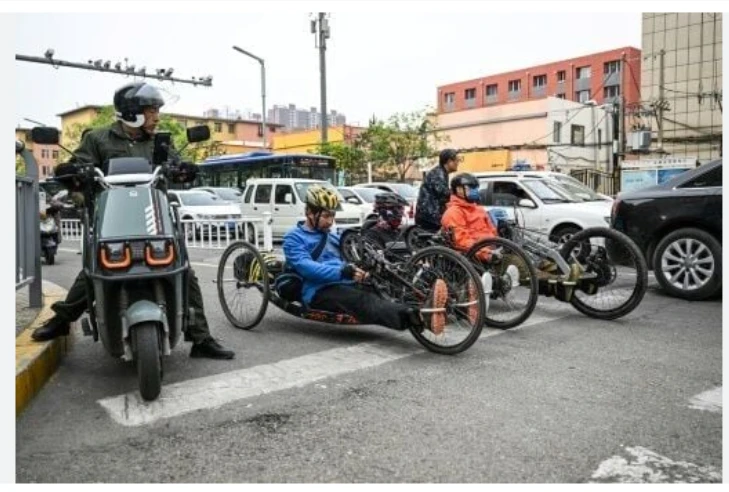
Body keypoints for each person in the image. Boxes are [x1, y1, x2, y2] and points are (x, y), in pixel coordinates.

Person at [32, 82, 234, 360]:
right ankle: (62, 320)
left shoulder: (159, 142)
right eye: (152, 111)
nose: (157, 117)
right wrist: (71, 171)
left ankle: (201, 338)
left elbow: (175, 168)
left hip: (154, 217)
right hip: (113, 218)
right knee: (94, 269)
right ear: (133, 112)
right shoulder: (99, 139)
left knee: (183, 269)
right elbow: (77, 165)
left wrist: (185, 169)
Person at [282, 185, 450, 335]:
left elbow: (350, 254)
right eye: (326, 216)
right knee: (365, 302)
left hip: (345, 280)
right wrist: (343, 271)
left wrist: (362, 265)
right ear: (309, 212)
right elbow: (307, 268)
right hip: (318, 289)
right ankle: (418, 317)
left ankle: (442, 307)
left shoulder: (332, 236)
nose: (330, 221)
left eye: (332, 216)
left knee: (383, 290)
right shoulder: (294, 238)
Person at [415, 148, 461, 232]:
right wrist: (458, 193)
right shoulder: (437, 174)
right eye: (457, 160)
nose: (458, 163)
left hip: (433, 214)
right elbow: (444, 193)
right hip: (430, 216)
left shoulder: (443, 172)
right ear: (449, 161)